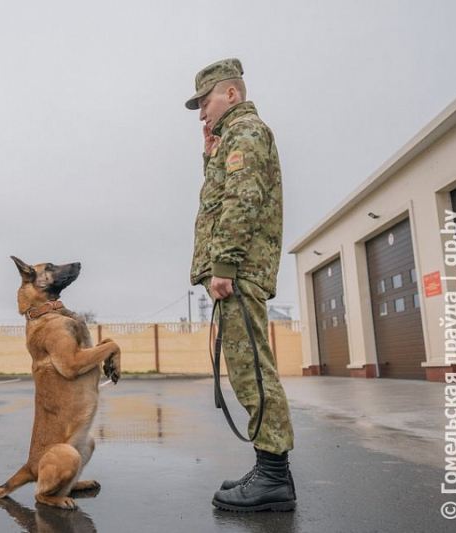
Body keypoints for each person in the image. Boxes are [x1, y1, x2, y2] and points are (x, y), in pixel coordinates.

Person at [185, 58, 296, 512]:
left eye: (205, 101)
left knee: (252, 368)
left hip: (241, 270)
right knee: (246, 365)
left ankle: (273, 478)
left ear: (231, 94)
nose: (200, 112)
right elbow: (220, 193)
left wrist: (225, 266)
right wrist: (209, 153)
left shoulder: (246, 133)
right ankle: (269, 468)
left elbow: (241, 199)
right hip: (241, 269)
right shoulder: (229, 139)